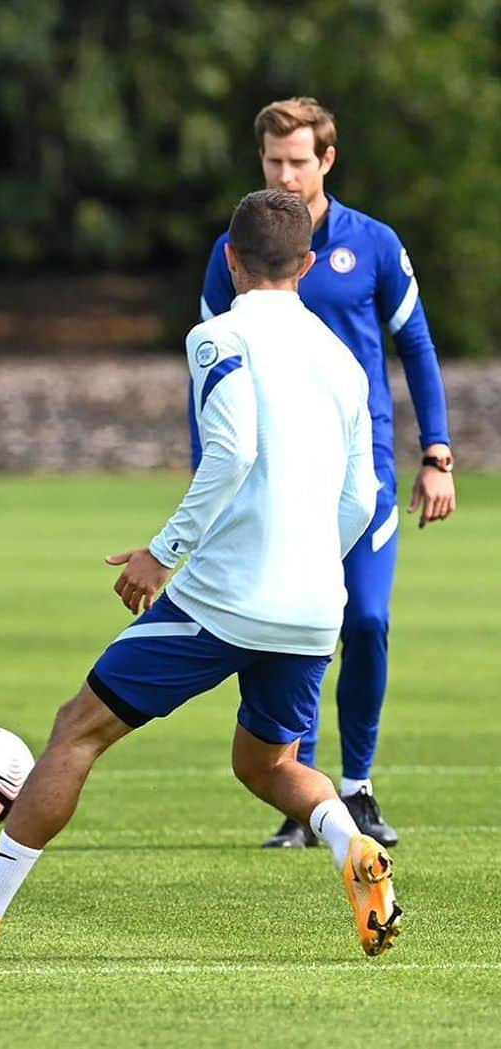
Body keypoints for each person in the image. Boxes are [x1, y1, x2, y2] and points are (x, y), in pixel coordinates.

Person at [0, 190, 401, 960]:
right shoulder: (342, 360)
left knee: (78, 728)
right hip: (312, 606)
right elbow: (363, 496)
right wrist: (305, 566)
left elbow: (231, 452)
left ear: (229, 259)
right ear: (305, 265)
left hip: (224, 600)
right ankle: (350, 845)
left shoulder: (217, 335)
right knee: (266, 763)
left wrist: (162, 551)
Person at [194, 97, 456, 849]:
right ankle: (300, 791)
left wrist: (435, 451)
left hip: (360, 473)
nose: (284, 173)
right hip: (269, 484)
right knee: (285, 629)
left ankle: (359, 787)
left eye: (298, 161)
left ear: (326, 161)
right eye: (273, 161)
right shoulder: (234, 251)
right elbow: (208, 371)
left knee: (366, 620)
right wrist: (203, 477)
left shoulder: (372, 245)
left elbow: (420, 349)